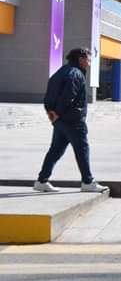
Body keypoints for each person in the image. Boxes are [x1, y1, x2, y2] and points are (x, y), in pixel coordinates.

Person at [33, 47, 108, 193]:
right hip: (73, 120)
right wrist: (58, 113)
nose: (89, 63)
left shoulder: (59, 72)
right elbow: (69, 96)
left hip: (59, 121)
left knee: (55, 150)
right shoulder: (76, 74)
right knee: (82, 149)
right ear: (81, 59)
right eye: (88, 59)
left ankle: (42, 180)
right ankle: (87, 181)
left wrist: (52, 113)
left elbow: (48, 95)